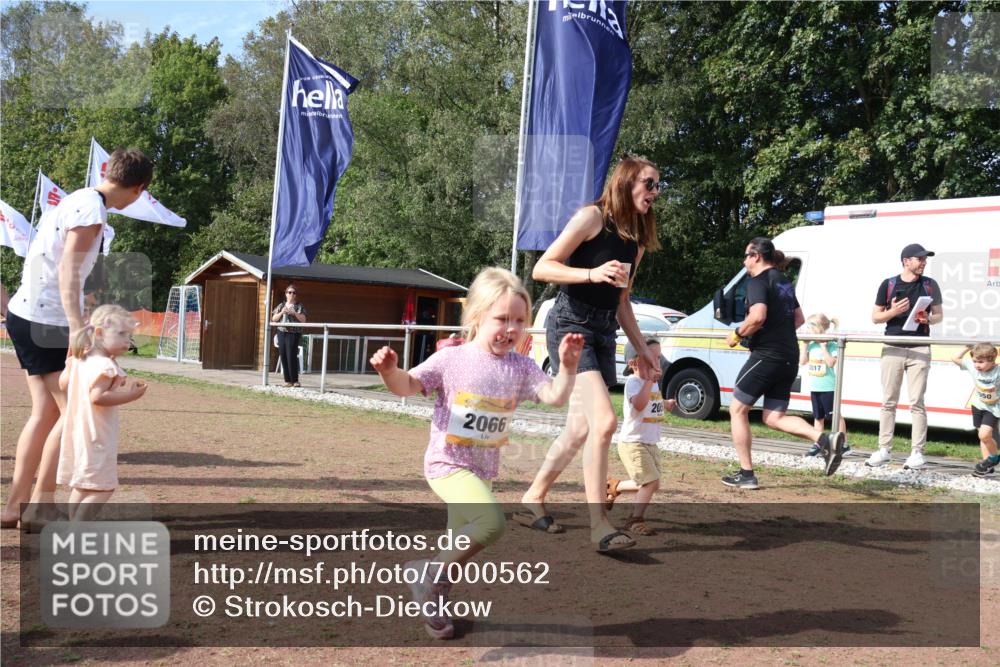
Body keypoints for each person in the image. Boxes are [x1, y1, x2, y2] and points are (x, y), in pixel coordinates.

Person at [369, 267, 582, 639]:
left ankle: (435, 596)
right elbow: (408, 385)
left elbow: (556, 397)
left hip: (479, 471)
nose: (511, 328)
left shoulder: (521, 366)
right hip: (446, 465)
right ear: (476, 316)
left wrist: (567, 366)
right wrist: (390, 370)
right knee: (491, 524)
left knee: (458, 545)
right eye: (502, 318)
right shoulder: (452, 359)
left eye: (519, 320)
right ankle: (426, 574)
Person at [520, 154, 664, 554]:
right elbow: (543, 268)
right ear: (627, 182)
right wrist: (590, 274)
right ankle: (599, 523)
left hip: (603, 331)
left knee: (580, 429)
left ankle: (533, 496)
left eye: (658, 186)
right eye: (649, 184)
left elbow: (622, 303)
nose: (655, 192)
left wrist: (643, 351)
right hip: (570, 326)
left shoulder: (635, 241)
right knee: (603, 424)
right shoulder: (591, 218)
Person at [1, 148, 152, 529]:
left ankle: (16, 506)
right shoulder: (91, 211)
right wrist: (75, 325)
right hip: (49, 321)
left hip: (26, 314)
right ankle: (37, 507)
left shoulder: (78, 201)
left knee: (45, 414)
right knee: (72, 416)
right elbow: (68, 270)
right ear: (139, 189)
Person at [723, 237, 845, 489]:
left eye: (746, 256)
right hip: (788, 357)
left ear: (756, 256)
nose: (744, 261)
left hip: (767, 356)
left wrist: (737, 334)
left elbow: (757, 316)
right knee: (774, 417)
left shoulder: (757, 281)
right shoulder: (784, 281)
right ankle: (824, 440)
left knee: (737, 410)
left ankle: (746, 475)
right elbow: (799, 318)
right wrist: (777, 333)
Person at [56, 305, 148, 520]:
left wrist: (69, 367)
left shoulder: (81, 360)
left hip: (79, 434)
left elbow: (63, 385)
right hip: (97, 436)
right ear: (99, 333)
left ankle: (71, 525)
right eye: (121, 334)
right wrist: (132, 395)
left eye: (130, 335)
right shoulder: (105, 365)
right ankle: (79, 529)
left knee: (83, 485)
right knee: (104, 488)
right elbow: (98, 397)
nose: (128, 340)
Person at [867, 243, 944, 470]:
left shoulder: (930, 285)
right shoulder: (888, 284)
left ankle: (917, 453)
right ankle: (884, 450)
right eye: (919, 259)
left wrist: (928, 320)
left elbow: (939, 315)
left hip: (920, 347)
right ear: (906, 261)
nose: (923, 263)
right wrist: (894, 312)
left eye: (924, 259)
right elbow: (875, 317)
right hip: (892, 346)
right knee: (888, 401)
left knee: (917, 402)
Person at [605, 339, 676, 536]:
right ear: (633, 362)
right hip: (633, 443)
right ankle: (634, 520)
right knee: (650, 482)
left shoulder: (651, 384)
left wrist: (665, 403)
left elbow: (650, 404)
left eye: (658, 357)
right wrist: (649, 381)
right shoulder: (634, 382)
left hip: (650, 443)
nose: (657, 361)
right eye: (651, 357)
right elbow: (638, 404)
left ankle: (614, 486)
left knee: (651, 482)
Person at [798, 313, 850, 458]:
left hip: (828, 388)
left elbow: (831, 363)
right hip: (815, 387)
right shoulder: (811, 346)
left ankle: (844, 444)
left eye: (810, 327)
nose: (807, 330)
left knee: (835, 416)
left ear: (819, 329)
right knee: (817, 417)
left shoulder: (832, 345)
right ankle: (819, 443)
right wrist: (805, 346)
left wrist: (824, 347)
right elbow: (802, 362)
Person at [950, 343, 1000, 477]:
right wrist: (967, 348)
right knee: (982, 437)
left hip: (993, 408)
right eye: (975, 361)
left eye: (981, 362)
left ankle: (994, 458)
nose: (977, 365)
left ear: (992, 360)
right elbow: (954, 358)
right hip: (978, 405)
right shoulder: (973, 367)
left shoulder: (998, 370)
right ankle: (986, 465)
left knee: (985, 435)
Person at [271, 283, 307, 387]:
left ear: (296, 295)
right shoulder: (281, 305)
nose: (291, 294)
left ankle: (295, 380)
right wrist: (282, 312)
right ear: (286, 294)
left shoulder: (299, 306)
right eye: (289, 292)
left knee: (291, 355)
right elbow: (274, 318)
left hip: (293, 333)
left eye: (294, 293)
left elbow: (304, 320)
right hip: (282, 332)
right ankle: (287, 381)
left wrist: (294, 313)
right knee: (283, 355)